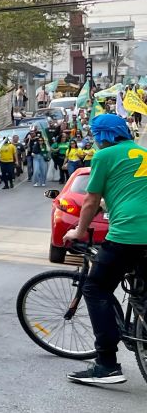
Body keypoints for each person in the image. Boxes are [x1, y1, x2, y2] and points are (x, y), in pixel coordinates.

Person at [62, 114, 147, 385]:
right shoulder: (142, 153)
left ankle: (106, 364)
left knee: (95, 288)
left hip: (129, 233)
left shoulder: (104, 156)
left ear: (104, 136)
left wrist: (77, 230)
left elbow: (90, 200)